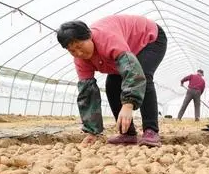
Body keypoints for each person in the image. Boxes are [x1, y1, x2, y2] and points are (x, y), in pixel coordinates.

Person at [56, 15, 166, 147]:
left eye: (80, 46)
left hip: (149, 39)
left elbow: (133, 71)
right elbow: (87, 93)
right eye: (72, 50)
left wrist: (128, 104)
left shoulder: (107, 39)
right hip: (125, 49)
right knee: (112, 85)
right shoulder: (80, 60)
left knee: (143, 74)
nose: (78, 53)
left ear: (89, 36)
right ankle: (128, 134)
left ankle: (151, 130)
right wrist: (92, 132)